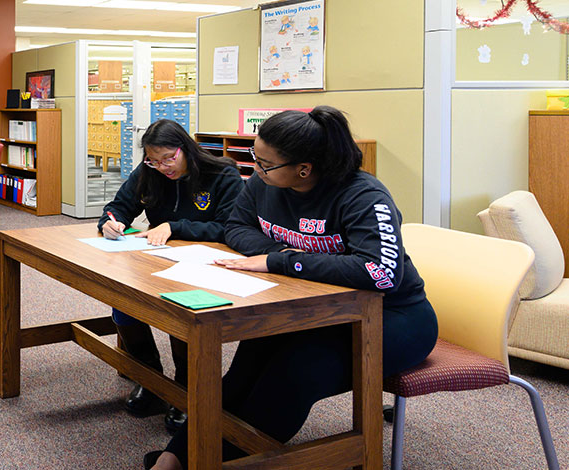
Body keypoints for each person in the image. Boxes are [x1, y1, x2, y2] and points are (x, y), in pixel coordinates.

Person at [144, 106, 438, 469]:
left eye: (266, 163)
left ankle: (209, 462)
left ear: (304, 169)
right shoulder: (263, 184)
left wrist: (280, 261)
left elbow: (380, 272)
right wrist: (281, 254)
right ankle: (174, 459)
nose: (257, 169)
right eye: (255, 156)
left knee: (292, 375)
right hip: (309, 306)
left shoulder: (363, 195)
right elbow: (237, 227)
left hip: (390, 318)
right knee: (242, 370)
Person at [97, 119, 244, 435]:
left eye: (169, 158)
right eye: (153, 160)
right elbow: (119, 206)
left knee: (181, 316)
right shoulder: (149, 171)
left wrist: (176, 227)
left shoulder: (223, 173)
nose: (163, 167)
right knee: (123, 304)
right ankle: (150, 380)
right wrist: (111, 222)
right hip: (158, 261)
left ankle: (184, 389)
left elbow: (232, 228)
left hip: (208, 265)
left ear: (185, 148)